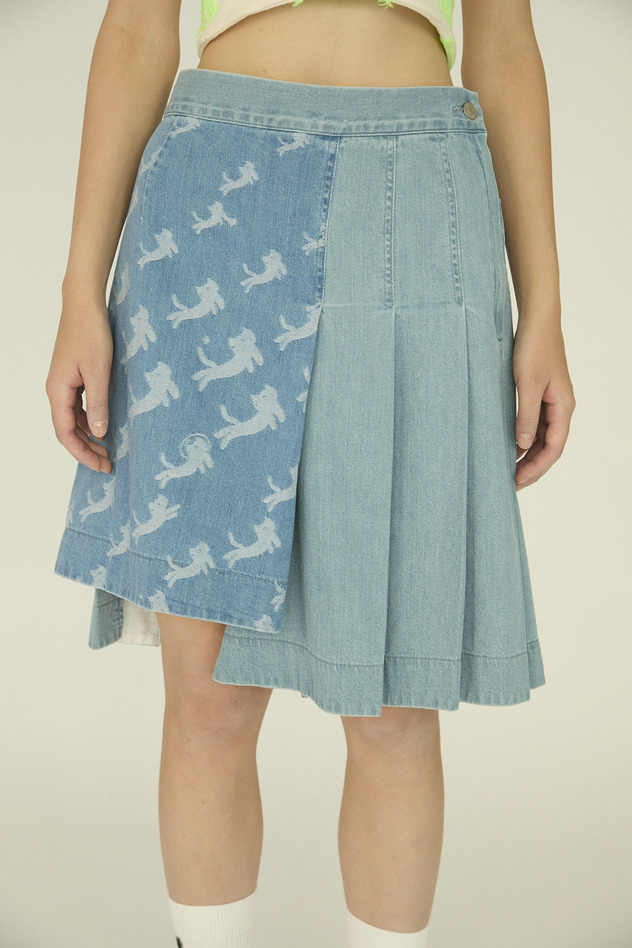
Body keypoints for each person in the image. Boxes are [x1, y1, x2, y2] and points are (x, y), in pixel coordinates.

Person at [46, 0, 575, 945]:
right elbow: (134, 32)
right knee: (207, 699)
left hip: (419, 208)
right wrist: (78, 292)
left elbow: (503, 43)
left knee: (394, 705)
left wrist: (546, 310)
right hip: (211, 198)